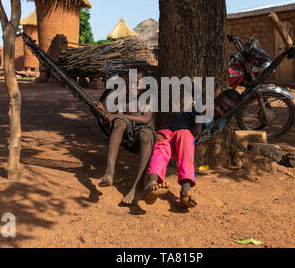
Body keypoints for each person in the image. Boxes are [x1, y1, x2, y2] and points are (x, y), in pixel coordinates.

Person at [144, 89, 240, 208]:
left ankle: (185, 190)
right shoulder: (203, 105)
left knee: (185, 136)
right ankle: (152, 183)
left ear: (227, 114)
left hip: (184, 142)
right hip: (169, 134)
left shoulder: (218, 123)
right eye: (218, 104)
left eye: (223, 110)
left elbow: (196, 136)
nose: (217, 109)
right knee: (162, 146)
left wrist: (201, 116)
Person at [94, 66, 156, 205]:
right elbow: (117, 115)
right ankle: (109, 172)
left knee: (145, 137)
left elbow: (146, 119)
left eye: (137, 83)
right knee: (119, 123)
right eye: (131, 83)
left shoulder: (149, 97)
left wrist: (120, 115)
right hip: (129, 131)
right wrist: (103, 111)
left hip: (145, 130)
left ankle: (138, 186)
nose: (133, 86)